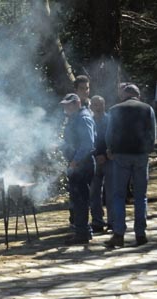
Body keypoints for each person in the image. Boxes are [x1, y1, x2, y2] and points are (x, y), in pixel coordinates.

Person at [104, 84, 157, 247]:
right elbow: (152, 134)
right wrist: (149, 149)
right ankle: (140, 234)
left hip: (120, 155)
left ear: (124, 95)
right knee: (141, 196)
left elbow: (109, 133)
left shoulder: (114, 110)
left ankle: (119, 234)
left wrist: (109, 149)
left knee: (119, 195)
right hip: (141, 155)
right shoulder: (147, 109)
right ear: (138, 95)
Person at [60, 93, 96, 245]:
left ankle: (82, 233)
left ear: (77, 103)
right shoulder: (75, 118)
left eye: (68, 104)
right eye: (65, 105)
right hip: (78, 164)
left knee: (81, 199)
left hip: (83, 164)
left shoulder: (83, 118)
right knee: (78, 198)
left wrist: (75, 160)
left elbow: (88, 143)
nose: (65, 107)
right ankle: (83, 231)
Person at [89, 95, 113, 233]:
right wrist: (95, 155)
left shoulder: (110, 120)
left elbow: (114, 137)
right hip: (94, 161)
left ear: (104, 105)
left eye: (100, 104)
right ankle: (97, 222)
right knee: (94, 193)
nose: (97, 107)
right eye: (95, 105)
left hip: (109, 160)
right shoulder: (89, 120)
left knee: (110, 193)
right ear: (91, 106)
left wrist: (105, 154)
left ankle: (112, 222)